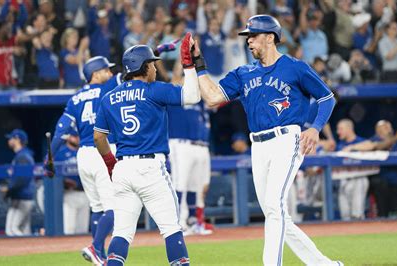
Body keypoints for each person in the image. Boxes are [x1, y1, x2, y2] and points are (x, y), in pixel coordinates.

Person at [194, 15, 342, 266]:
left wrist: (315, 128)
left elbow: (327, 98)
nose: (248, 41)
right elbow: (211, 97)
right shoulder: (243, 72)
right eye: (247, 37)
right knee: (276, 213)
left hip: (286, 140)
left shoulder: (295, 67)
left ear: (270, 37)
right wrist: (198, 64)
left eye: (253, 36)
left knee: (274, 207)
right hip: (258, 145)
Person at [93, 34, 200, 265]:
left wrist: (111, 164)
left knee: (122, 234)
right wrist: (189, 65)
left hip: (122, 169)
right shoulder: (154, 89)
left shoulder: (109, 97)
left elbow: (98, 137)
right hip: (150, 168)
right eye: (152, 63)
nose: (155, 67)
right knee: (171, 228)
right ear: (143, 66)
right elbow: (193, 95)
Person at [48, 56, 122, 265]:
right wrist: (159, 49)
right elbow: (134, 68)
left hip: (84, 155)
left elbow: (60, 133)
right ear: (96, 73)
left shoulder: (75, 98)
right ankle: (96, 247)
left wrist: (49, 158)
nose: (110, 73)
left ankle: (100, 254)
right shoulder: (108, 87)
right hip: (104, 149)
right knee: (115, 207)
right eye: (106, 70)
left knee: (97, 207)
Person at [167, 102, 212, 236]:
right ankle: (179, 224)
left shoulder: (201, 102)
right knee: (180, 184)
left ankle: (193, 221)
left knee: (196, 186)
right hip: (181, 144)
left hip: (201, 145)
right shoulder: (173, 95)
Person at [53, 134, 90, 235]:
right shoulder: (60, 153)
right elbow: (52, 172)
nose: (77, 138)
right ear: (68, 137)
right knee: (69, 229)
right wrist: (64, 181)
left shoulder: (85, 151)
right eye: (74, 136)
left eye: (78, 136)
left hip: (85, 193)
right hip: (69, 194)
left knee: (83, 230)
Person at [3, 129, 35, 236]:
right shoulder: (22, 155)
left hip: (22, 198)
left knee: (12, 230)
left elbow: (22, 179)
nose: (9, 141)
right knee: (24, 230)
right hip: (24, 197)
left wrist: (9, 189)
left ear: (17, 140)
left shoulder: (23, 156)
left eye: (11, 138)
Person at [335, 119, 369, 220]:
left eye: (340, 129)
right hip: (344, 180)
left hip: (359, 178)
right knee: (345, 216)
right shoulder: (340, 145)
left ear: (349, 129)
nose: (338, 132)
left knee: (357, 215)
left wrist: (352, 147)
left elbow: (371, 145)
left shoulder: (361, 141)